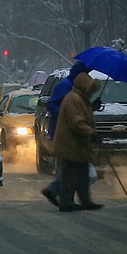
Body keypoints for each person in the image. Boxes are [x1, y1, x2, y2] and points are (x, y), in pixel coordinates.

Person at [41, 62, 93, 207]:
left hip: (73, 133)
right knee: (71, 167)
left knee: (75, 167)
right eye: (85, 74)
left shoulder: (80, 90)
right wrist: (64, 114)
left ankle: (69, 197)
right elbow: (52, 104)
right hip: (64, 131)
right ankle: (65, 198)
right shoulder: (66, 86)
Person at [52, 72, 103, 212]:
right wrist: (92, 133)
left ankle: (84, 201)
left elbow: (81, 115)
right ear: (84, 88)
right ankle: (67, 202)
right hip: (70, 145)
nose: (92, 93)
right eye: (91, 90)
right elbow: (77, 123)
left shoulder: (79, 98)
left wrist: (92, 107)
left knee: (80, 175)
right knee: (71, 176)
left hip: (76, 145)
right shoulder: (74, 99)